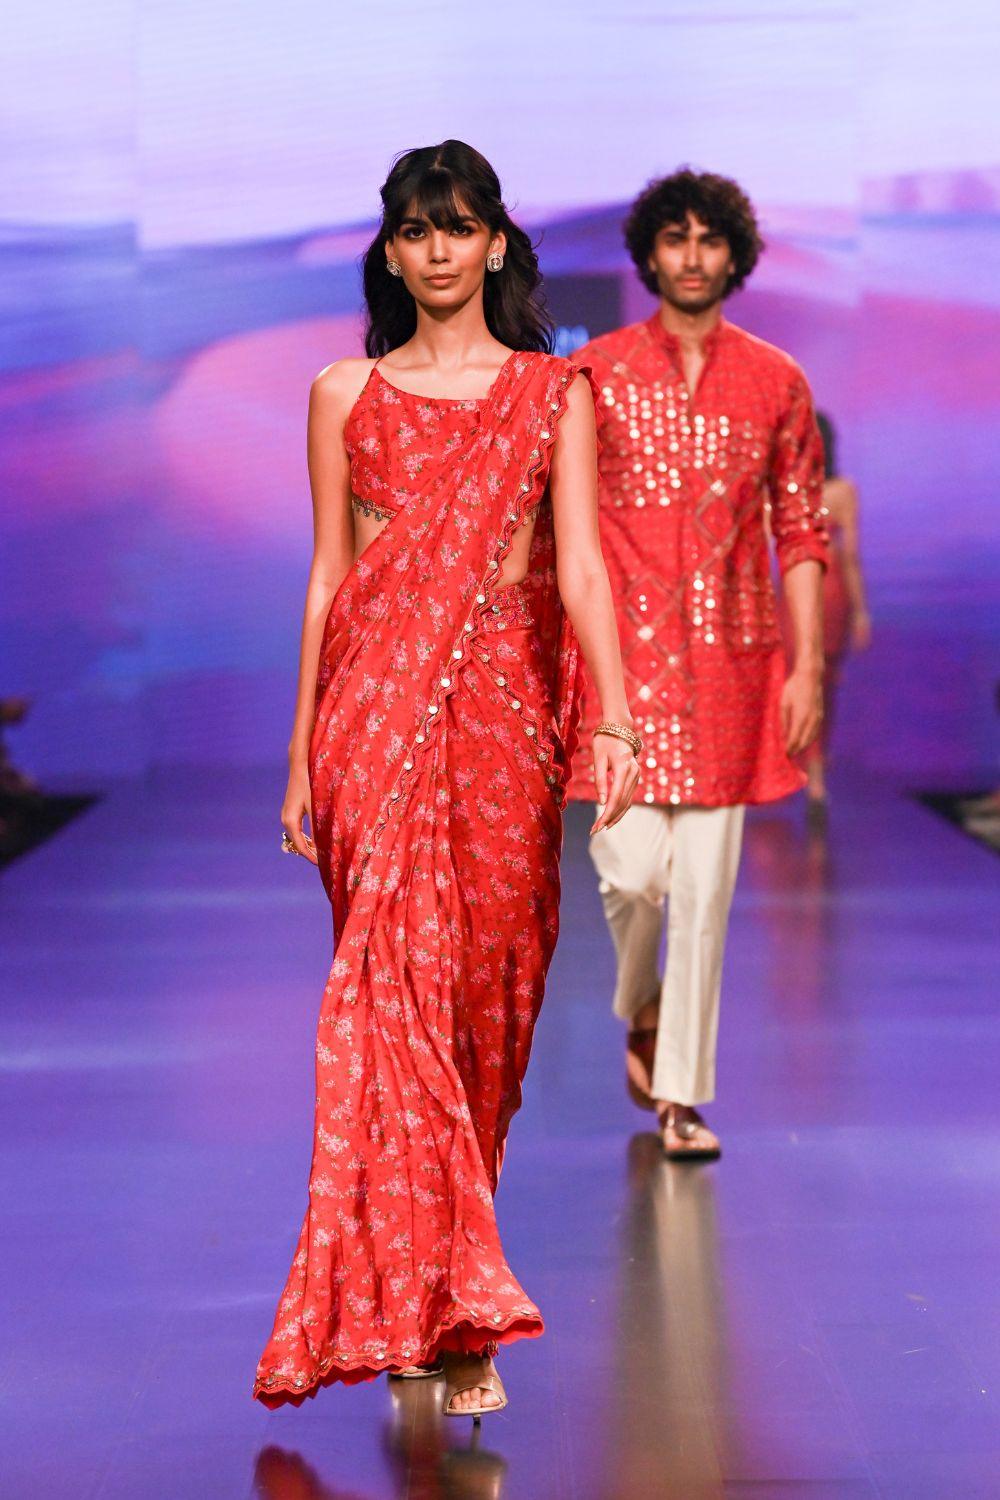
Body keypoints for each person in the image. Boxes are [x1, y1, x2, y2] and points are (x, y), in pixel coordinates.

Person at [253, 141, 639, 1419]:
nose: (435, 251)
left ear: (494, 244)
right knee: (385, 1009)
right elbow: (328, 578)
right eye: (414, 231)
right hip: (372, 728)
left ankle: (432, 1280)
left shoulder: (551, 393)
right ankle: (460, 1317)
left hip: (505, 734)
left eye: (458, 228)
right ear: (388, 249)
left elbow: (578, 571)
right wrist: (304, 744)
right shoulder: (340, 391)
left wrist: (619, 726)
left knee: (486, 1011)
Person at [567, 169, 829, 1161]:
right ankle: (641, 1008)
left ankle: (680, 1097)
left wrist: (804, 669)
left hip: (732, 665)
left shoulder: (777, 381)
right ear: (648, 253)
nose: (689, 256)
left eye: (707, 240)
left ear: (732, 255)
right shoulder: (592, 374)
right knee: (632, 878)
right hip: (622, 670)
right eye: (672, 239)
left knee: (709, 898)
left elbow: (801, 531)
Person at [789, 412, 872, 814]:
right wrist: (860, 612)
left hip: (793, 592)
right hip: (832, 589)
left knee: (799, 675)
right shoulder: (843, 492)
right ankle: (815, 769)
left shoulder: (788, 489)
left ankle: (807, 764)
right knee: (823, 680)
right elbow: (851, 555)